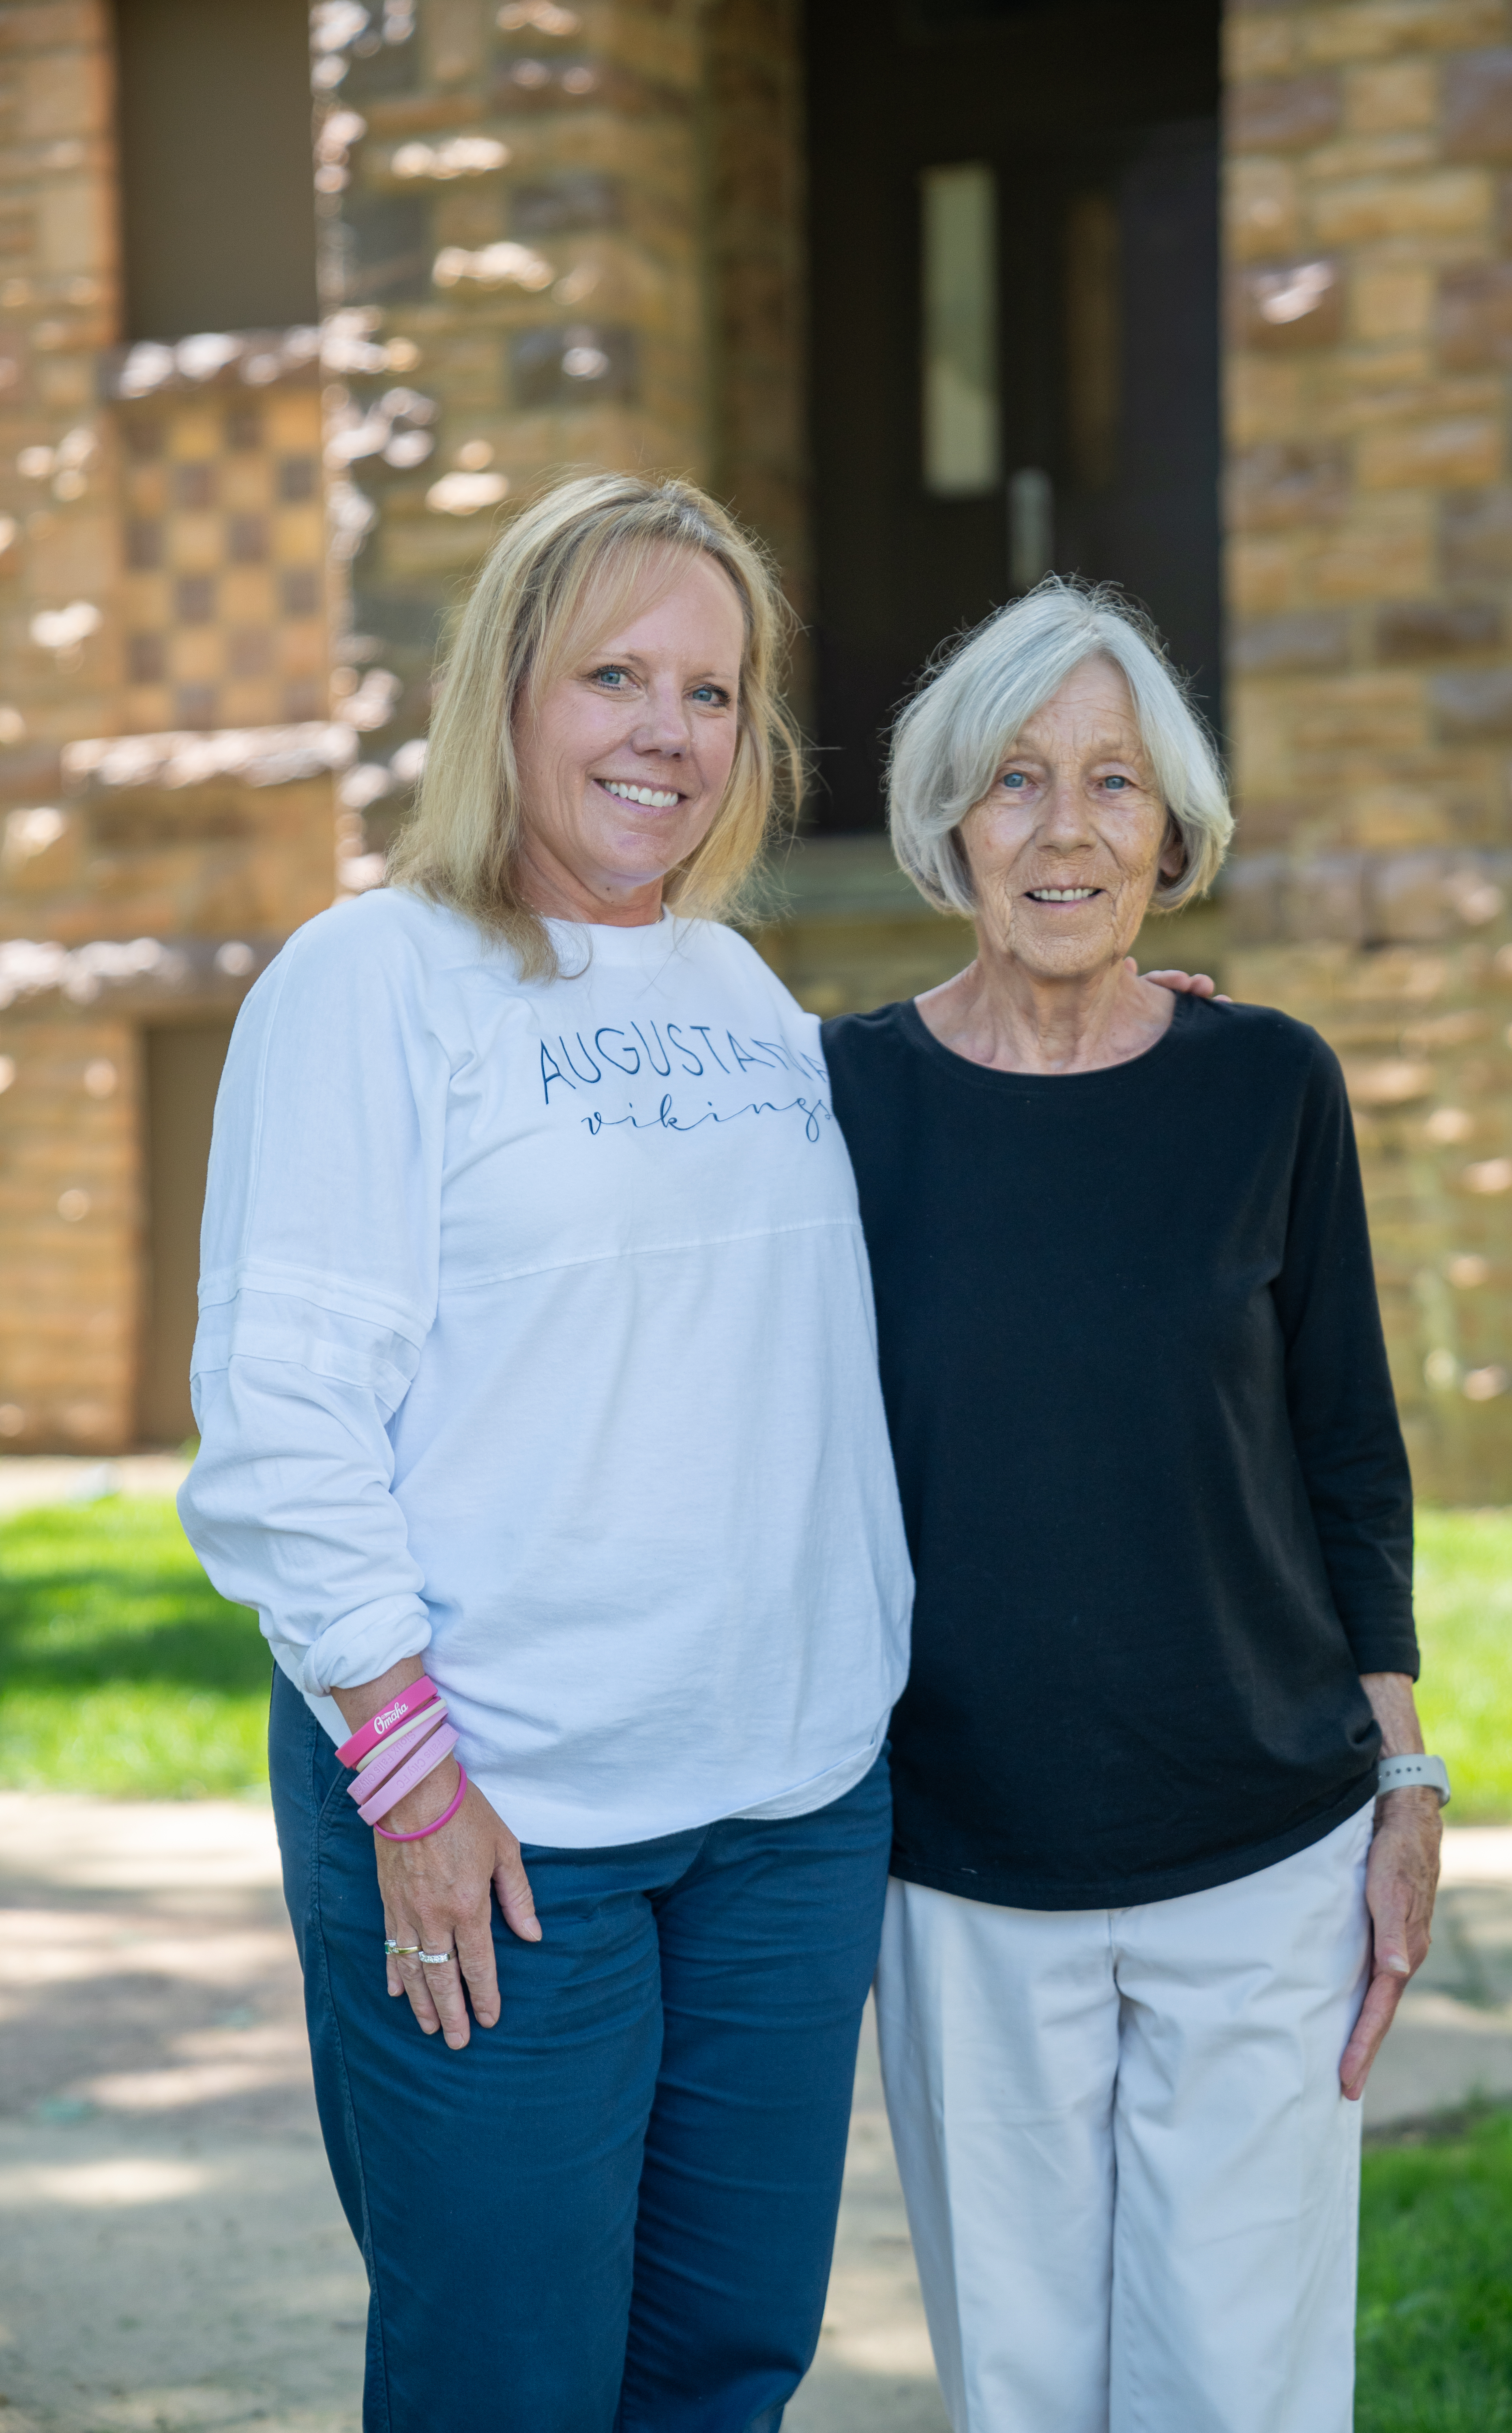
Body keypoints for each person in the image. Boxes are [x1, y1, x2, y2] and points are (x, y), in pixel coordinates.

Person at [177, 470, 915, 2433]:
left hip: (784, 1813)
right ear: (506, 691)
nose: (668, 733)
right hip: (497, 1823)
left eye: (712, 692)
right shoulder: (375, 980)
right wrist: (409, 1777)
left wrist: (1098, 1028)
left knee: (722, 2375)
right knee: (507, 2381)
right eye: (615, 675)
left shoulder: (742, 990)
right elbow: (280, 1424)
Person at [821, 581, 1448, 2433]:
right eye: (1016, 780)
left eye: (1113, 782)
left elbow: (1350, 1455)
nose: (1067, 828)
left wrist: (1401, 1775)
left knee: (1238, 2389)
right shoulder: (838, 1104)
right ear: (948, 822)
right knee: (1022, 2390)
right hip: (962, 1860)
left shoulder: (1268, 1087)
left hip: (1263, 1845)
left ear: (1172, 831)